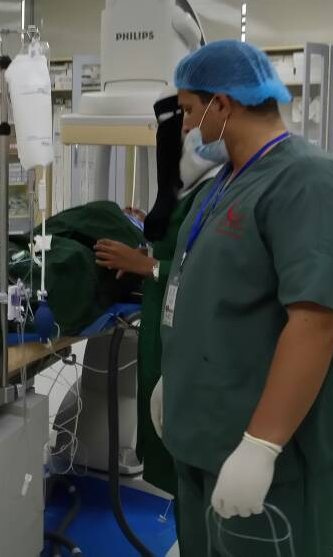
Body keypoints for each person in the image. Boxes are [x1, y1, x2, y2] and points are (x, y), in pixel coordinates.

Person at [153, 40, 333, 556]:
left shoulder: (311, 182)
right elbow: (208, 289)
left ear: (222, 104)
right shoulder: (224, 182)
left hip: (280, 457)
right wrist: (178, 378)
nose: (185, 127)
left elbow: (316, 323)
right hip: (208, 437)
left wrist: (262, 445)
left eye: (188, 110)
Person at [93, 93, 225, 503]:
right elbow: (177, 242)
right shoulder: (187, 187)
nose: (184, 127)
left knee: (184, 444)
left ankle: (189, 506)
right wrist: (147, 235)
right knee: (160, 420)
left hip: (190, 328)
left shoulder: (220, 189)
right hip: (160, 316)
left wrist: (144, 264)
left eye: (189, 113)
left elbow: (210, 272)